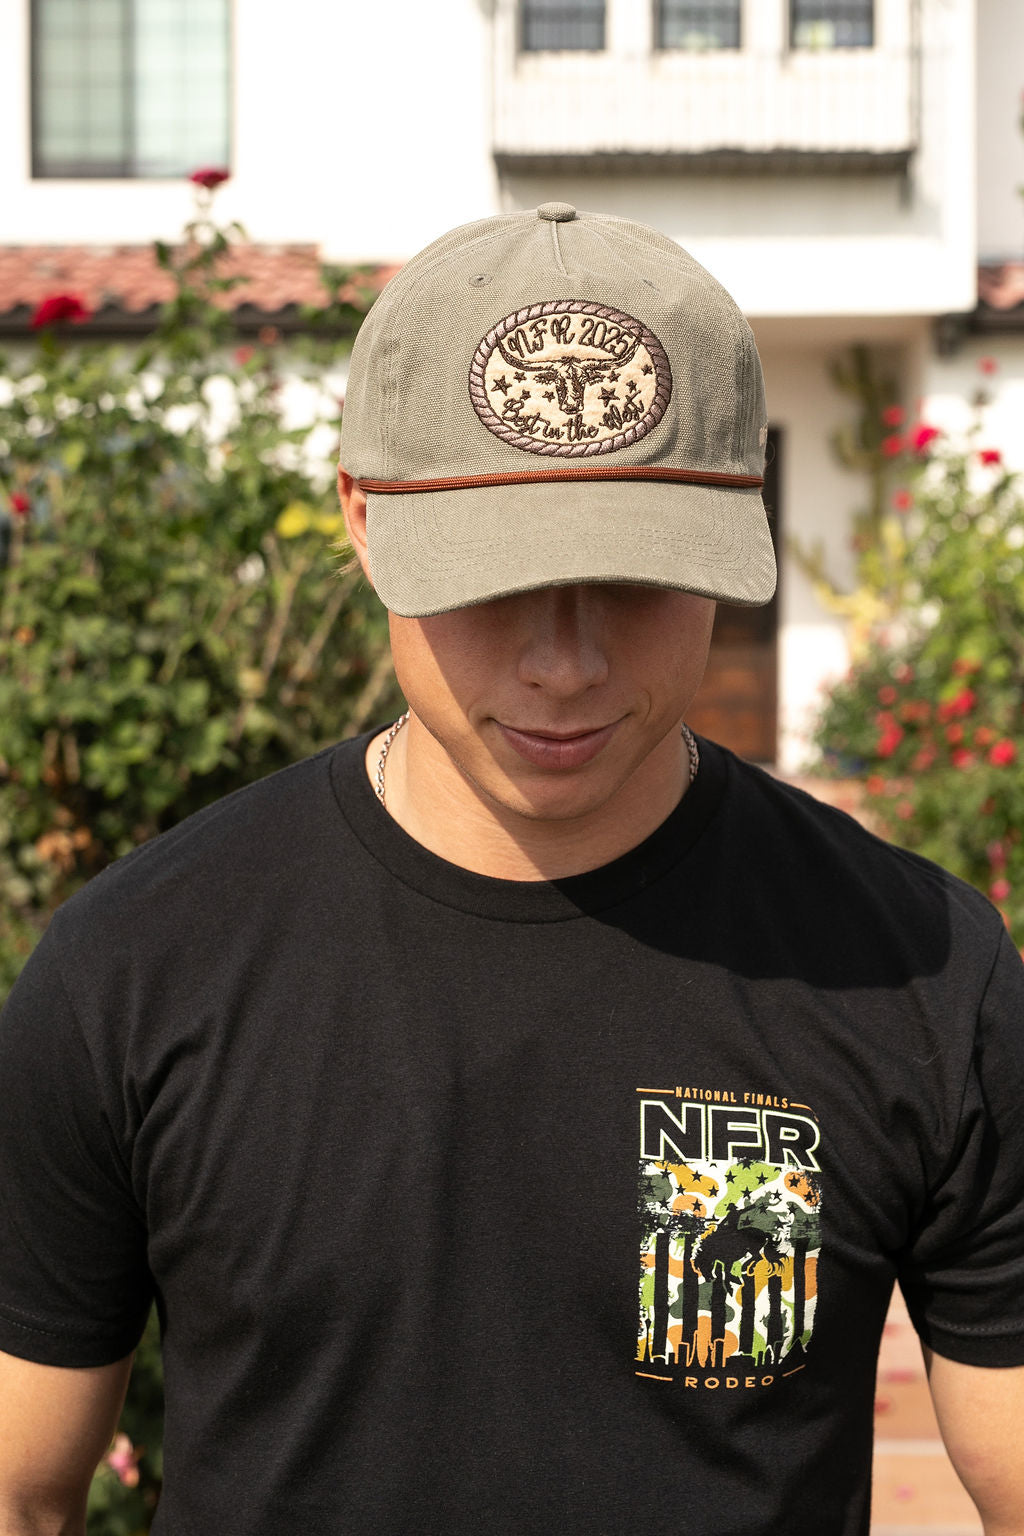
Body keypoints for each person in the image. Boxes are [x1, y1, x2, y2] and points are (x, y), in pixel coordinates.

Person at [1, 203, 1022, 1536]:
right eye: (492, 578)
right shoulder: (138, 971)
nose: (563, 660)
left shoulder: (916, 972)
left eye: (634, 576)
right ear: (364, 520)